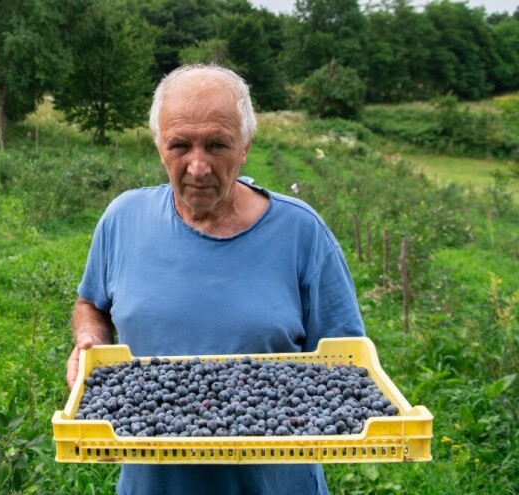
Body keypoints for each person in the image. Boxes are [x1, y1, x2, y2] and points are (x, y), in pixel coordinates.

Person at [65, 63, 365, 495]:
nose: (198, 167)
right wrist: (89, 341)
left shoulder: (302, 233)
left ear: (245, 147)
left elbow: (346, 367)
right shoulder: (122, 220)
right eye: (180, 145)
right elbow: (92, 304)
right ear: (157, 145)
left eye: (218, 144)